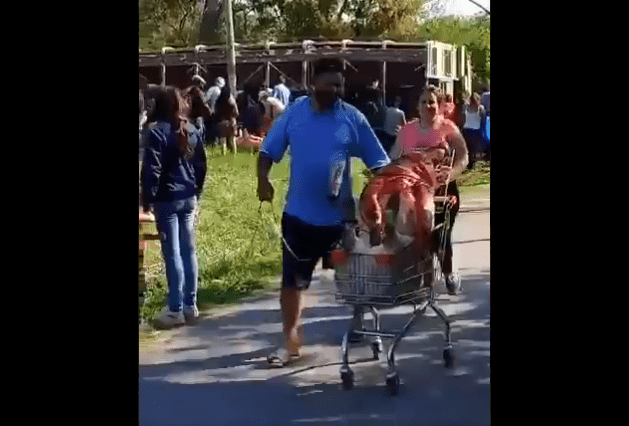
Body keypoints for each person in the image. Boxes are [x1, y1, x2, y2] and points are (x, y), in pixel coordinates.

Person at [257, 57, 391, 367]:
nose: (339, 90)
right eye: (332, 84)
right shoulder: (294, 114)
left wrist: (375, 201)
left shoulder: (351, 118)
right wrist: (262, 179)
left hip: (340, 222)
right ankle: (290, 343)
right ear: (314, 84)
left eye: (341, 85)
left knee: (355, 279)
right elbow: (267, 152)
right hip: (299, 218)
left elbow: (380, 164)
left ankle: (360, 325)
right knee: (292, 283)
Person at [389, 85, 468, 295]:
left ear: (440, 105)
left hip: (444, 191)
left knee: (441, 235)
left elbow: (464, 157)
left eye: (432, 101)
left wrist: (450, 174)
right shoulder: (407, 131)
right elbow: (393, 157)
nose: (428, 106)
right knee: (413, 235)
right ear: (417, 106)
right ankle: (419, 278)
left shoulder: (448, 128)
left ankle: (448, 273)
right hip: (414, 190)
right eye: (424, 102)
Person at [140, 86, 208, 329]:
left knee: (172, 253)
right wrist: (196, 191)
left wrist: (147, 198)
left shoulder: (156, 133)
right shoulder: (191, 129)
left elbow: (152, 170)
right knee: (189, 251)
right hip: (189, 196)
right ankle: (191, 305)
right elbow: (201, 165)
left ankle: (175, 309)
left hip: (166, 199)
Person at [462, 92, 486, 169]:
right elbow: (483, 119)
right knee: (474, 148)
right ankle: (472, 163)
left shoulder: (466, 107)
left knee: (468, 148)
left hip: (467, 130)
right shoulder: (480, 108)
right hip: (475, 130)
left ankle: (469, 163)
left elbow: (463, 118)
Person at [214, 85, 239, 155]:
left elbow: (215, 112)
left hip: (222, 122)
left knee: (223, 140)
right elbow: (236, 113)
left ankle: (223, 154)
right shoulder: (232, 102)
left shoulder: (218, 101)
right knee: (233, 139)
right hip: (231, 121)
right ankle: (234, 154)